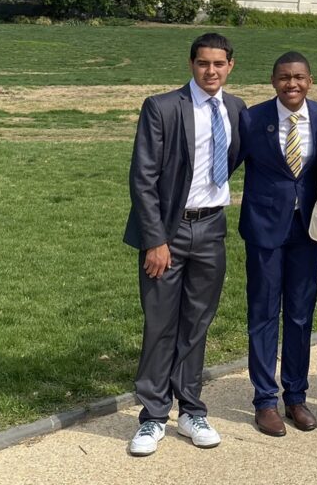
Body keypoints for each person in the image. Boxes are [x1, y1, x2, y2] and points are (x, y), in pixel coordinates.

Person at [123, 32, 245, 455]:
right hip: (169, 232)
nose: (210, 71)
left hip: (212, 229)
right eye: (203, 63)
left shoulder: (235, 108)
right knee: (160, 325)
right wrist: (156, 239)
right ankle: (153, 416)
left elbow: (233, 160)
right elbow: (143, 177)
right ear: (191, 65)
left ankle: (191, 409)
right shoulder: (162, 107)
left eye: (218, 64)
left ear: (231, 66)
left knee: (197, 324)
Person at [238, 51, 317, 437]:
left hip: (307, 229)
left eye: (298, 77)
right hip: (264, 228)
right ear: (272, 80)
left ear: (310, 80)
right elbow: (224, 163)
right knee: (263, 313)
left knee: (299, 314)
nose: (291, 84)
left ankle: (296, 395)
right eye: (283, 77)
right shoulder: (252, 118)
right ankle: (265, 400)